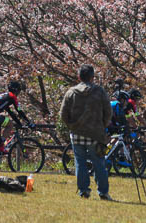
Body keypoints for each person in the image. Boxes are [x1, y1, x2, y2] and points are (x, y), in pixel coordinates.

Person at [60, 64, 112, 200]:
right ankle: (103, 192)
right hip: (95, 134)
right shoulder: (100, 92)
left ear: (79, 77)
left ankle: (83, 190)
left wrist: (71, 125)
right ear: (92, 77)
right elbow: (108, 112)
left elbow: (63, 114)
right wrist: (103, 125)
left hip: (77, 134)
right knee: (99, 163)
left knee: (80, 162)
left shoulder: (71, 92)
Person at [0, 81, 35, 154]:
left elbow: (11, 113)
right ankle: (1, 144)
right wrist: (29, 123)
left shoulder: (5, 97)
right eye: (19, 91)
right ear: (16, 90)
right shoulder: (12, 96)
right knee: (10, 124)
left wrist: (20, 124)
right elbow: (19, 111)